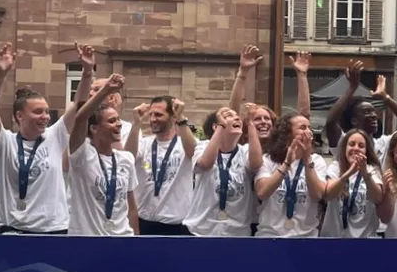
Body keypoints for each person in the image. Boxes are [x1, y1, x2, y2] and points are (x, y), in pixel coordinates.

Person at [0, 43, 83, 235]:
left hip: (52, 230)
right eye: (38, 112)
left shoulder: (55, 136)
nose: (45, 116)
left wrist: (86, 72)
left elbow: (78, 104)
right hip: (12, 228)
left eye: (46, 111)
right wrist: (0, 76)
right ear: (20, 116)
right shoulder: (4, 143)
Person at [184, 48, 265, 236]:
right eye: (228, 117)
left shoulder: (245, 151)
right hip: (202, 230)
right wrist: (220, 125)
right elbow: (205, 164)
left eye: (238, 118)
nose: (235, 118)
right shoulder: (203, 147)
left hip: (236, 231)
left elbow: (256, 164)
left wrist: (250, 123)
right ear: (216, 126)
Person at [67, 74, 138, 236]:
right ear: (94, 128)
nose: (119, 124)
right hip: (88, 239)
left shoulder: (125, 159)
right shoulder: (82, 155)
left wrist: (136, 241)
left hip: (122, 238)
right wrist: (105, 91)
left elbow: (131, 206)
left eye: (118, 119)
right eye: (111, 121)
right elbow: (80, 119)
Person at [125, 95, 197, 235]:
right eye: (150, 114)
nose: (152, 119)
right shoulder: (144, 143)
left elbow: (194, 154)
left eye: (158, 115)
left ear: (172, 117)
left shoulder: (183, 143)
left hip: (177, 226)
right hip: (145, 223)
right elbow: (127, 158)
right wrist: (136, 123)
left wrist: (181, 117)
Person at [254, 107, 328, 238]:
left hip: (306, 237)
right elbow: (262, 192)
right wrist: (287, 164)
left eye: (309, 128)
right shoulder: (268, 159)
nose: (308, 132)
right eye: (303, 128)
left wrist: (306, 159)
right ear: (288, 133)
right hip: (270, 236)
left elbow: (317, 195)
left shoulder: (317, 160)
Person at [321, 128, 385, 238]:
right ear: (345, 148)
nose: (356, 148)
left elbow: (377, 198)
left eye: (361, 146)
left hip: (365, 239)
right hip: (334, 239)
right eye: (351, 144)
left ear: (366, 150)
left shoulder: (372, 169)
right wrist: (348, 174)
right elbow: (329, 194)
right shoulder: (336, 167)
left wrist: (365, 175)